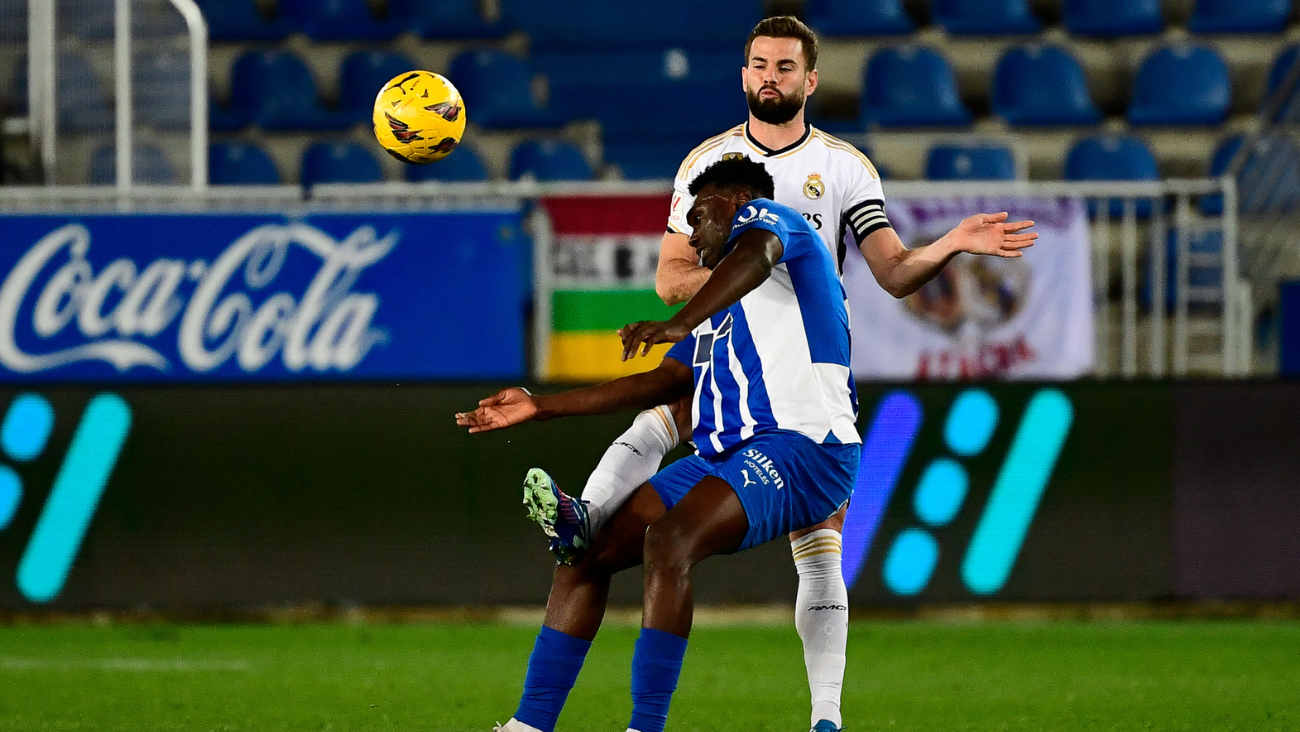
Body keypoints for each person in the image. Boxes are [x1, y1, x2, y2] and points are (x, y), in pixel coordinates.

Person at [517, 15, 1039, 732]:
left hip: (805, 373)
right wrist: (703, 303)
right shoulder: (707, 166)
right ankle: (576, 556)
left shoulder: (840, 170)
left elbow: (890, 271)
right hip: (725, 340)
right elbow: (671, 275)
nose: (770, 77)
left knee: (814, 543)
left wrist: (948, 243)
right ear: (743, 74)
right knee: (655, 426)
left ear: (810, 80)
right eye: (759, 64)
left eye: (785, 67)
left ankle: (825, 714)